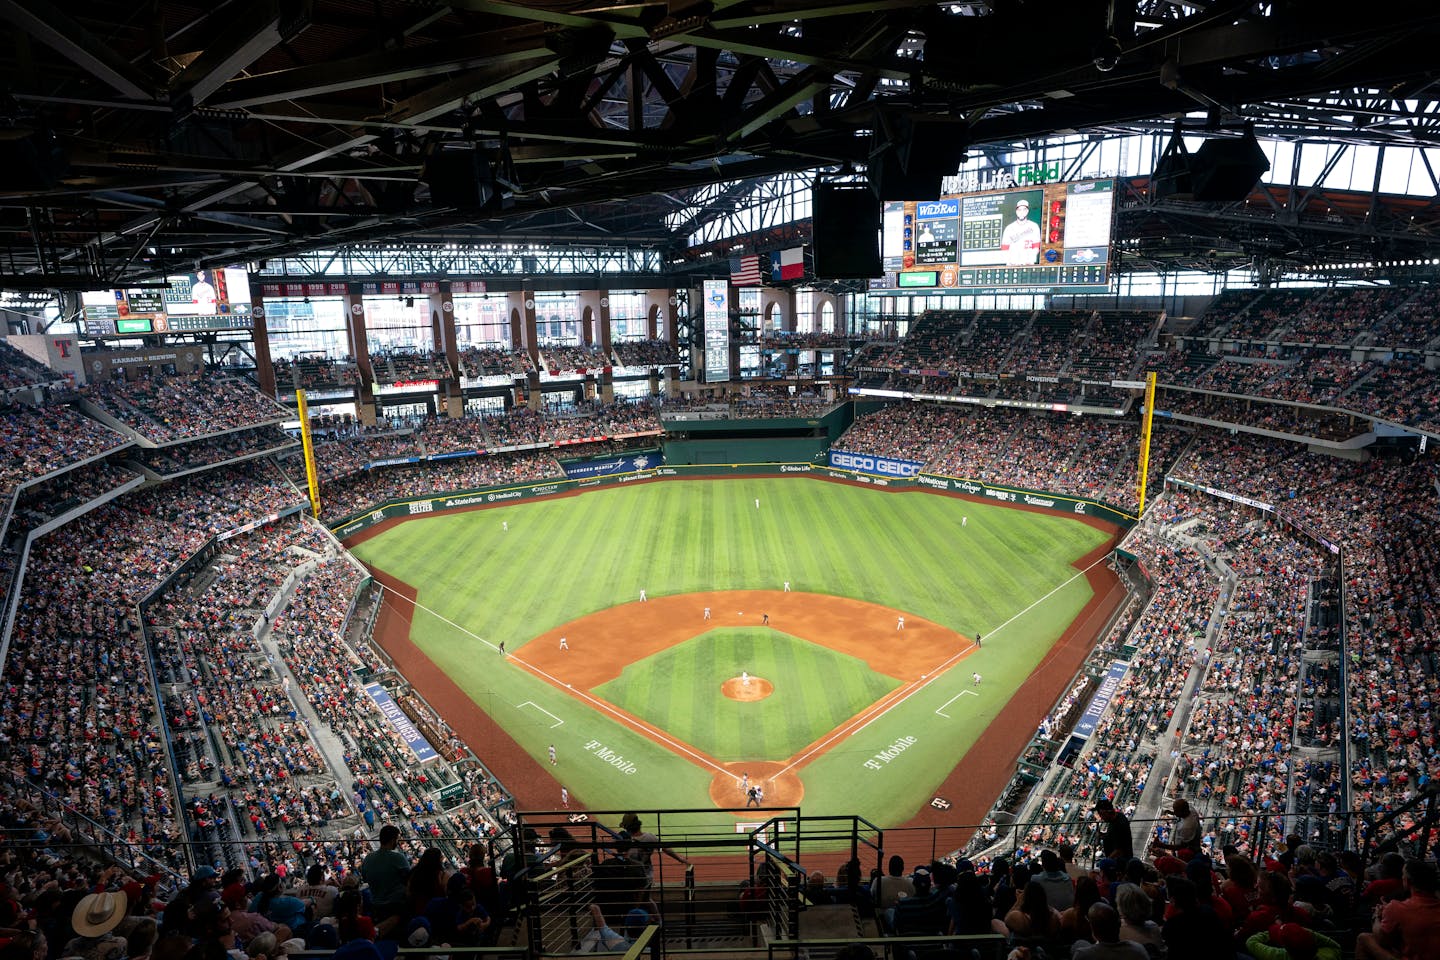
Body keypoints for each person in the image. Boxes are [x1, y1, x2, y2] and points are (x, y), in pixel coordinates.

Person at [1356, 858, 1440, 960]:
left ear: (1407, 881)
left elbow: (1381, 939)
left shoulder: (1396, 907)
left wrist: (1377, 916)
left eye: (1403, 875)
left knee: (1363, 937)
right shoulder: (1398, 906)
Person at [360, 824, 411, 937]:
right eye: (397, 839)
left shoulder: (368, 858)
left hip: (375, 907)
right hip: (396, 908)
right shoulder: (398, 858)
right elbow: (410, 880)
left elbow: (365, 878)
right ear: (393, 840)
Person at [1071, 902, 1149, 959]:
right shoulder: (1139, 950)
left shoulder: (1083, 955)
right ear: (1119, 925)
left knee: (1079, 943)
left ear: (1092, 927)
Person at [1001, 198, 1041, 265]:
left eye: (1024, 209)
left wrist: (1030, 259)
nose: (1021, 212)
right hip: (1013, 264)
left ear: (1027, 211)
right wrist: (1009, 261)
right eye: (1019, 210)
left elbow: (1036, 246)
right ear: (1016, 211)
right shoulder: (1009, 228)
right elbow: (1004, 248)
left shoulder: (1034, 226)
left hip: (1028, 264)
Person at [1095, 798, 1134, 862]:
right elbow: (1113, 836)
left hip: (1121, 861)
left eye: (1101, 814)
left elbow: (1119, 850)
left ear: (1107, 812)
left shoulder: (1119, 823)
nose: (1101, 817)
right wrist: (1102, 836)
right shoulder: (1115, 819)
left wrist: (1107, 861)